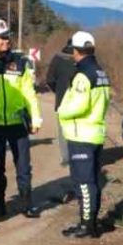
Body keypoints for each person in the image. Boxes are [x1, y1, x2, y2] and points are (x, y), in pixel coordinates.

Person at [0, 19, 43, 219]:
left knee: (24, 167)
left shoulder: (19, 62)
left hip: (17, 124)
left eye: (7, 36)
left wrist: (36, 118)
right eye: (1, 37)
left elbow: (29, 92)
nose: (6, 40)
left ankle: (27, 204)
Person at [57, 30, 111, 239]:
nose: (72, 56)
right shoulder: (101, 72)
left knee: (84, 182)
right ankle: (90, 222)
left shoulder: (83, 75)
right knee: (93, 181)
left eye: (73, 52)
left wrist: (61, 111)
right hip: (95, 133)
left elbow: (78, 105)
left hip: (82, 135)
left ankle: (87, 225)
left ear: (77, 51)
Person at [45, 47, 77, 202]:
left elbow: (50, 79)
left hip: (62, 103)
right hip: (80, 106)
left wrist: (58, 90)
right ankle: (77, 157)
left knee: (63, 133)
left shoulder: (58, 58)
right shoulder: (85, 60)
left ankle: (66, 158)